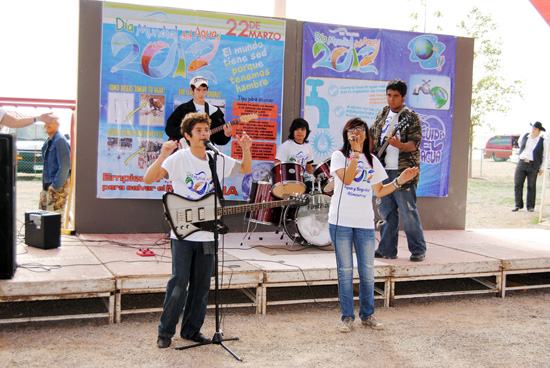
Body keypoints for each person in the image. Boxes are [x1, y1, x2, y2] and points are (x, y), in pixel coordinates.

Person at [144, 112, 252, 349]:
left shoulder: (215, 157)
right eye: (199, 131)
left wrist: (245, 148)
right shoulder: (179, 158)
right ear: (187, 136)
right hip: (183, 232)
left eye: (206, 130)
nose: (204, 134)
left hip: (208, 232)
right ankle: (165, 332)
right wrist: (163, 154)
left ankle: (192, 330)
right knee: (179, 283)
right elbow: (149, 178)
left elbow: (244, 168)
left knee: (202, 285)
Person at [329, 117, 419, 333]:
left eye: (361, 130)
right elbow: (348, 180)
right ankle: (347, 317)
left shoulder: (373, 161)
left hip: (364, 223)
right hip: (341, 221)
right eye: (353, 129)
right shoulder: (339, 156)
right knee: (345, 270)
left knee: (368, 271)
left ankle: (367, 315)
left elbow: (379, 191)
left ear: (367, 135)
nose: (357, 133)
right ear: (346, 134)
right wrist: (356, 154)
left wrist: (400, 180)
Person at [370, 79, 427, 262]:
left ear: (403, 97)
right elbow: (372, 136)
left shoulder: (410, 117)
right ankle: (387, 249)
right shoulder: (383, 113)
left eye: (395, 96)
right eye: (388, 95)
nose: (391, 99)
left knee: (408, 210)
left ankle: (418, 249)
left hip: (403, 171)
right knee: (386, 211)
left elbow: (415, 144)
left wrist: (400, 145)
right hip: (383, 170)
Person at [165, 76, 233, 148]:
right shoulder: (183, 109)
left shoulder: (215, 111)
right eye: (198, 90)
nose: (201, 93)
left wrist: (227, 135)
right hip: (185, 151)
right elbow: (169, 129)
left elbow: (219, 140)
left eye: (204, 90)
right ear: (192, 90)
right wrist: (186, 131)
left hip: (205, 153)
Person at [512, 121, 546, 212]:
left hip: (533, 165)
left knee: (531, 186)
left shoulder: (543, 141)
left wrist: (541, 168)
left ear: (539, 131)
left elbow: (545, 156)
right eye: (532, 128)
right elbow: (520, 144)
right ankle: (518, 205)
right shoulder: (525, 136)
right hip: (522, 162)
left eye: (535, 129)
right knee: (518, 184)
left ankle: (530, 206)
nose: (533, 130)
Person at [40, 120, 71, 214]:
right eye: (46, 121)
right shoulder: (49, 140)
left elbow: (65, 165)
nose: (46, 124)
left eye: (50, 122)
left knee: (54, 219)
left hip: (56, 186)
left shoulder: (59, 140)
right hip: (48, 184)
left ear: (57, 124)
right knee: (43, 218)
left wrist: (56, 187)